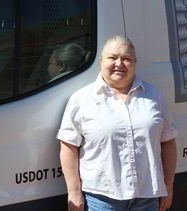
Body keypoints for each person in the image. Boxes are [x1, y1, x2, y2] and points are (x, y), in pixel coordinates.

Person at [57, 35, 178, 211]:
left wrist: (168, 185)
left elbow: (168, 141)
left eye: (126, 58)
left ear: (135, 62)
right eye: (112, 57)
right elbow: (68, 146)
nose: (119, 63)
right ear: (101, 61)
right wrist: (74, 193)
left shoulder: (153, 95)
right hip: (102, 200)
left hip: (147, 198)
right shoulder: (82, 99)